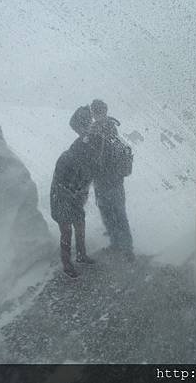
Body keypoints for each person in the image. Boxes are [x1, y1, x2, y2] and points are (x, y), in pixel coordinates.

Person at [50, 133, 101, 278]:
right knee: (66, 231)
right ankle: (67, 264)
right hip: (60, 199)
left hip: (75, 198)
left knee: (80, 225)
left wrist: (82, 194)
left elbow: (87, 180)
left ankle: (81, 255)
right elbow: (59, 183)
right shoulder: (66, 158)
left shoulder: (89, 160)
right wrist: (72, 194)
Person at [88, 99, 134, 259]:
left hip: (103, 181)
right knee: (118, 213)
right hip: (115, 181)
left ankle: (118, 245)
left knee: (109, 213)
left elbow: (94, 156)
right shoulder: (112, 127)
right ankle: (126, 248)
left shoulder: (96, 129)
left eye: (94, 111)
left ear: (94, 112)